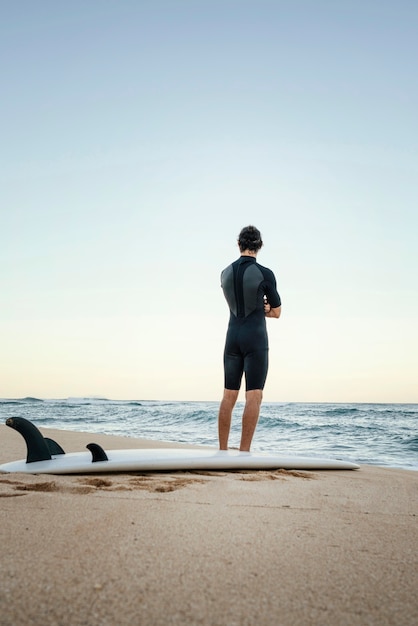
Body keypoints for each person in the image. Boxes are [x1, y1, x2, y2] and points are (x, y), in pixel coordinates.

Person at [218, 225, 281, 452]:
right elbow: (276, 312)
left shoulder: (225, 273)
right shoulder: (265, 274)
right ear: (259, 246)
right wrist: (262, 308)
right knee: (254, 396)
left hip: (232, 337)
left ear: (239, 244)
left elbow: (237, 301)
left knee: (228, 397)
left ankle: (222, 451)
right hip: (255, 338)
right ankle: (244, 453)